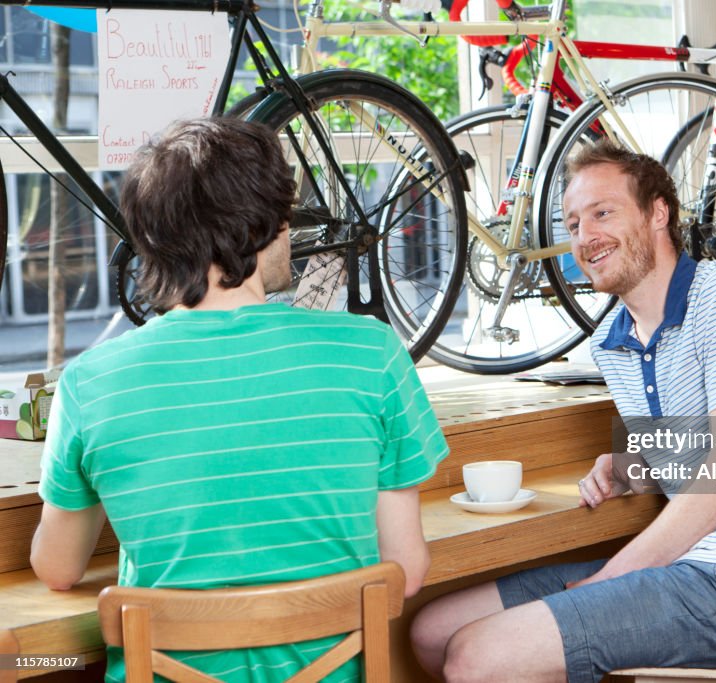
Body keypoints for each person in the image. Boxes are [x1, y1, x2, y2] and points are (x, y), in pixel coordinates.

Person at [31, 118, 447, 682]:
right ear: (268, 225)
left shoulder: (90, 382)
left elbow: (57, 569)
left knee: (22, 662)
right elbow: (407, 569)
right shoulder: (372, 354)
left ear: (150, 241)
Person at [410, 140, 716, 683]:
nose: (585, 236)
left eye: (603, 213)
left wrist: (617, 572)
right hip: (681, 568)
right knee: (432, 632)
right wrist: (634, 469)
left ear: (658, 212)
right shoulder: (612, 341)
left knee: (476, 657)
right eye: (574, 223)